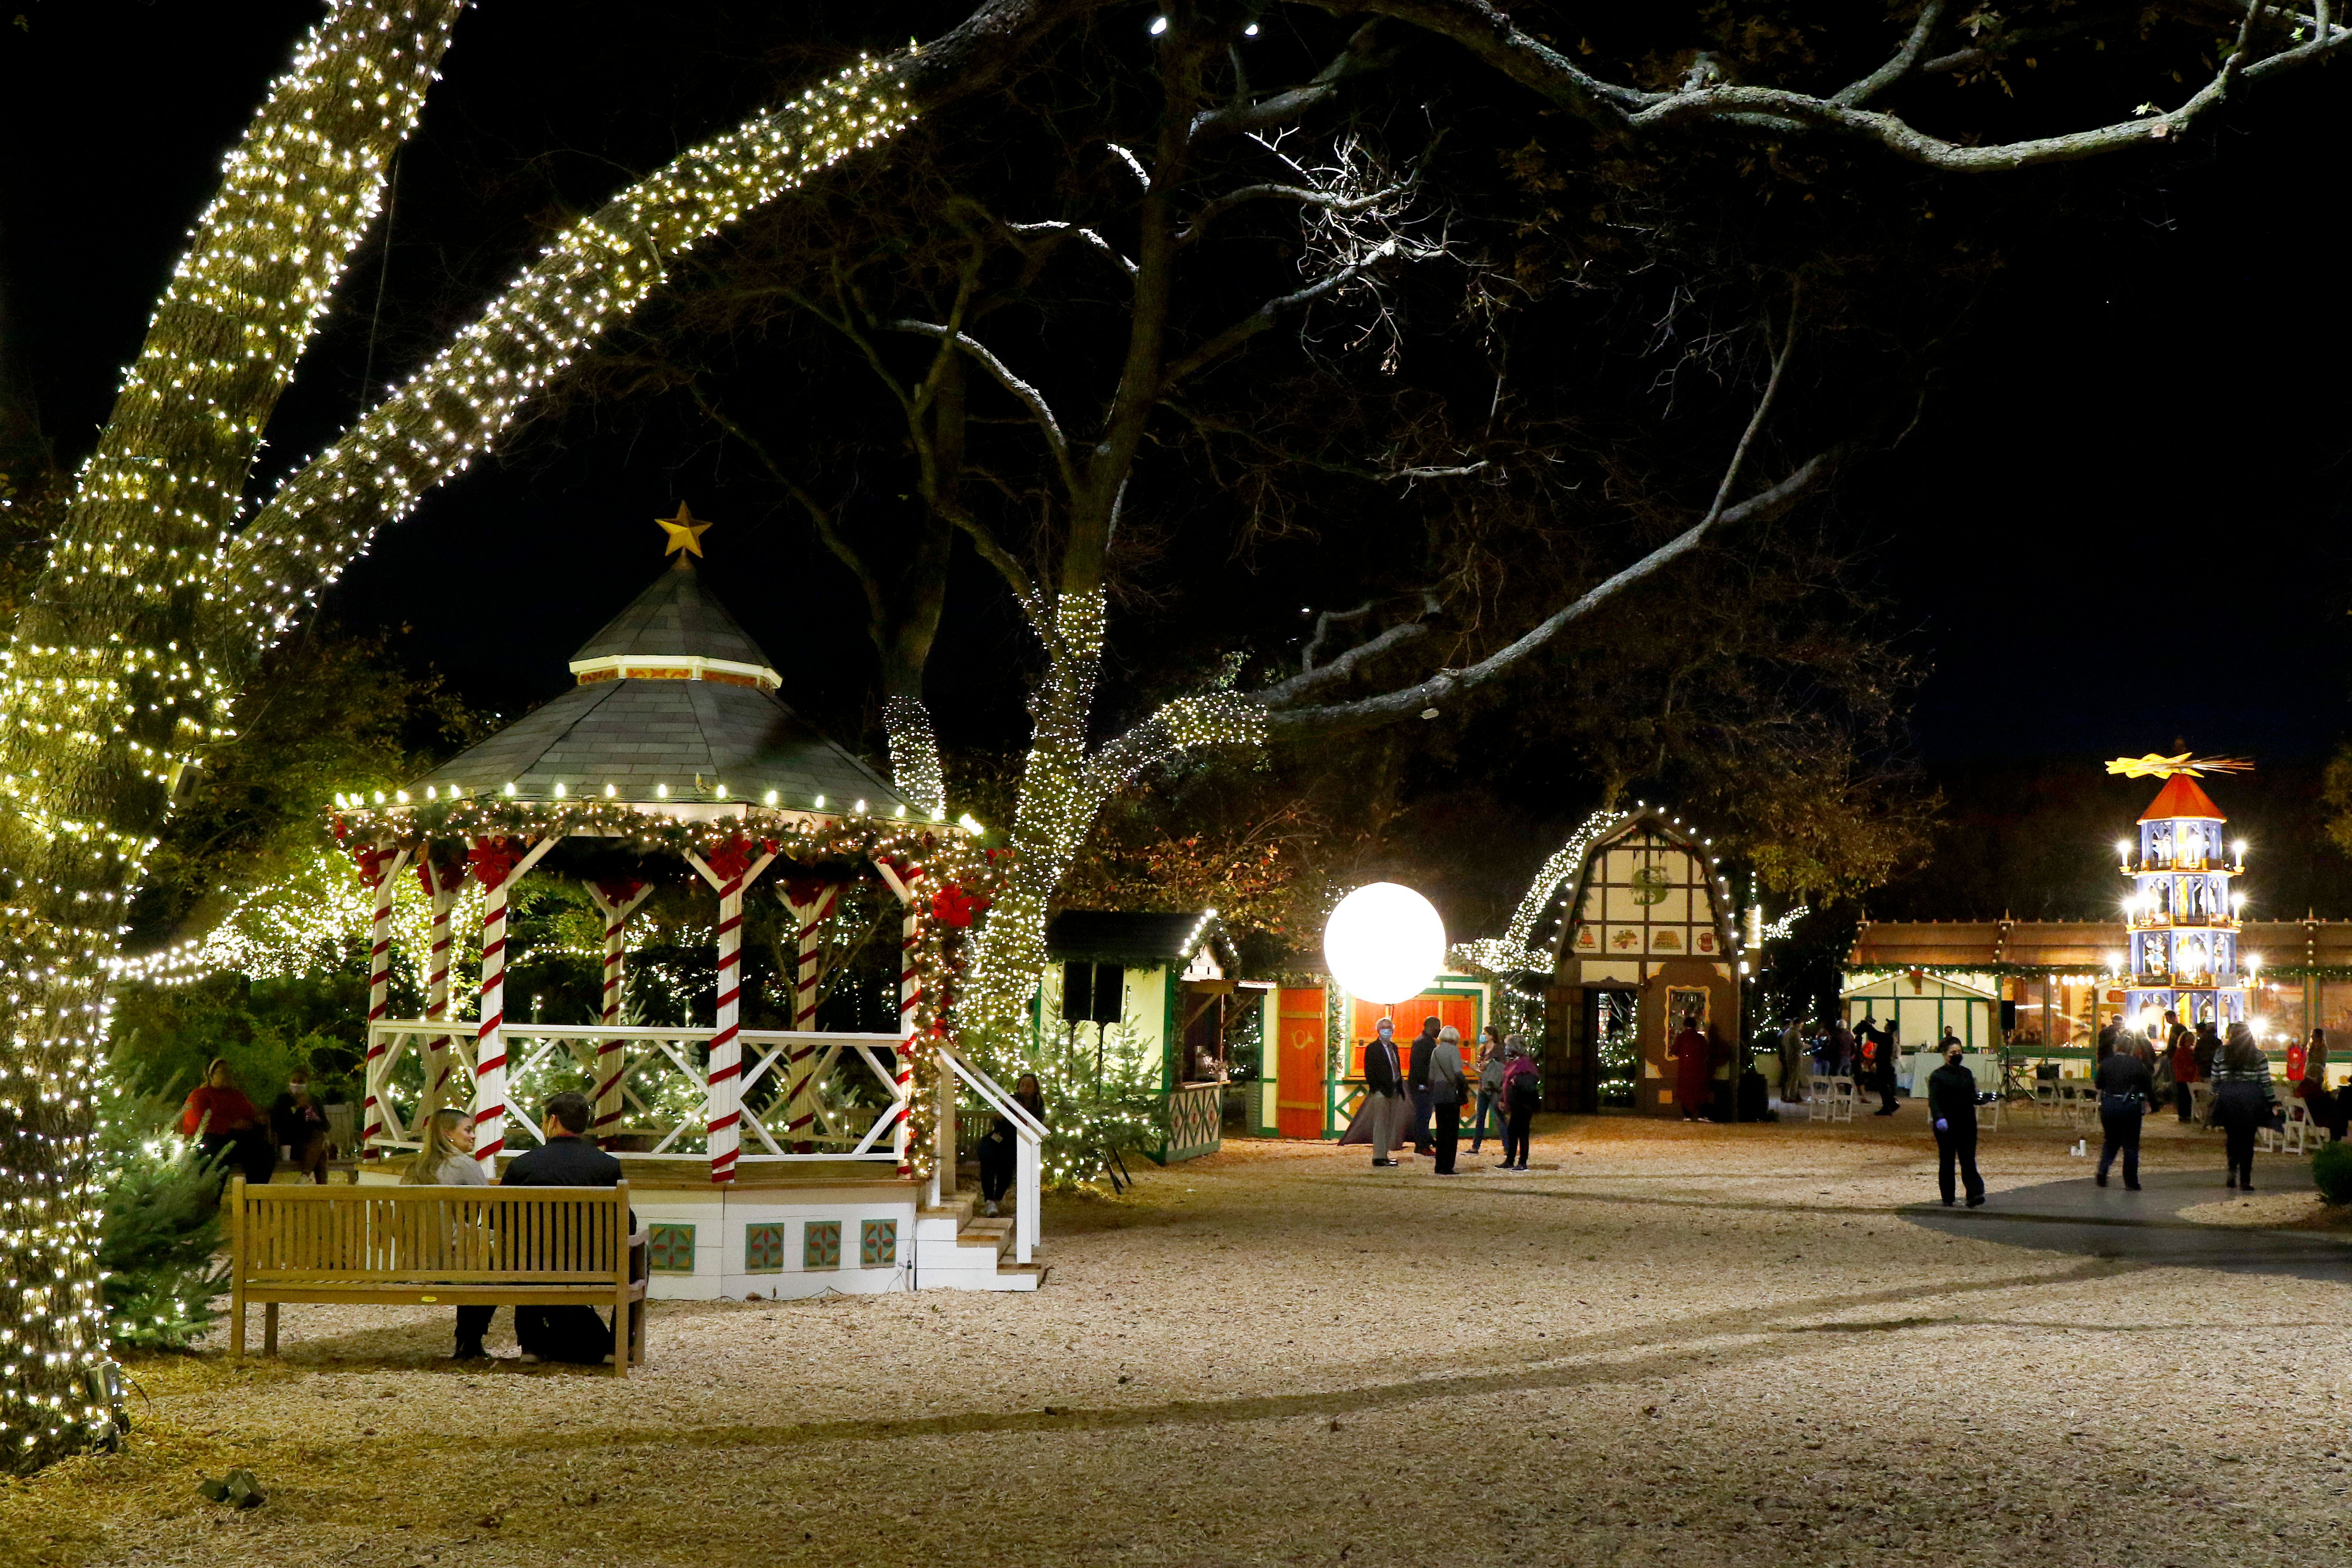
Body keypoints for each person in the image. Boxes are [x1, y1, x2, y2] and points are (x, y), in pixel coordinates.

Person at [499, 1091, 629, 1363]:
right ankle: (615, 1348)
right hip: (592, 1266)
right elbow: (626, 1224)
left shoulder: (522, 1166)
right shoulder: (607, 1166)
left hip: (530, 1265)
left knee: (530, 1255)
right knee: (642, 1256)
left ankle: (532, 1348)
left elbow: (498, 1218)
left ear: (553, 1121)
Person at [400, 1109, 491, 1359]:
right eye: (468, 1130)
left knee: (473, 1249)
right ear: (447, 1134)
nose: (473, 1136)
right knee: (493, 1255)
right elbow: (488, 1206)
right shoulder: (463, 1164)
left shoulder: (413, 1169)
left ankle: (468, 1341)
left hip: (415, 1261)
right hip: (450, 1259)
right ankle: (469, 1340)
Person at [181, 1058, 276, 1191]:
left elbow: (249, 1112)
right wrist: (231, 1125)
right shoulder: (200, 1095)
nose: (229, 1075)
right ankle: (212, 1199)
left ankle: (254, 1196)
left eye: (229, 1071)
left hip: (236, 1140)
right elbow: (197, 1121)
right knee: (217, 1157)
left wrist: (258, 1120)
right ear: (211, 1075)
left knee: (265, 1152)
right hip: (210, 1140)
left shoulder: (236, 1095)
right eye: (223, 1072)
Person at [2210, 1023, 2276, 1192]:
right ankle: (2245, 1180)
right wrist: (2272, 1102)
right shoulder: (2258, 1055)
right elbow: (2265, 1082)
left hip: (2228, 1098)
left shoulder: (2221, 1054)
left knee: (2232, 1137)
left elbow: (2215, 1080)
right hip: (2250, 1099)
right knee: (2248, 1140)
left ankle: (2232, 1171)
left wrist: (2216, 1095)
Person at [1926, 1038, 1986, 1208]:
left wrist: (1984, 1099)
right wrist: (1939, 1118)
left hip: (1967, 1122)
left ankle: (1975, 1193)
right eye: (1953, 1053)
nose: (1957, 1055)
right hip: (1947, 1124)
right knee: (1947, 1160)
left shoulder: (1966, 1073)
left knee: (1968, 1158)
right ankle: (1948, 1197)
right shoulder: (1938, 1076)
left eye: (1959, 1052)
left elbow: (1972, 1095)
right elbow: (1934, 1100)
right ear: (1945, 1056)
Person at [2092, 1030, 2154, 1189]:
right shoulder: (2137, 1065)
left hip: (2110, 1103)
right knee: (2131, 1144)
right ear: (2131, 1049)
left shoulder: (2106, 1064)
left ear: (2116, 1047)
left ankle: (2102, 1171)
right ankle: (2131, 1181)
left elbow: (2099, 1084)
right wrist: (2152, 1104)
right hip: (2130, 1105)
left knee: (2111, 1141)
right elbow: (2148, 1086)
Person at [979, 1072, 1045, 1218]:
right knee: (987, 1156)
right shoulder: (1012, 1101)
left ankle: (997, 1198)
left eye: (1029, 1085)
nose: (1025, 1088)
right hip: (1000, 1138)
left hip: (1018, 1143)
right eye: (1022, 1085)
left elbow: (1036, 1125)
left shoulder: (1038, 1105)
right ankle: (989, 1200)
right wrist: (1000, 1116)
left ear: (1035, 1089)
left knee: (1007, 1163)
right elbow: (998, 1121)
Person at [1353, 1017, 1409, 1167]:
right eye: (1384, 1028)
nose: (1387, 1031)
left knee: (1390, 1124)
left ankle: (1385, 1155)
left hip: (1395, 1090)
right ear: (1378, 1031)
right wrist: (1377, 1088)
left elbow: (1396, 1067)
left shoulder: (1394, 1047)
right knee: (1380, 1124)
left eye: (1389, 1028)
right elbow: (1369, 1071)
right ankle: (1378, 1157)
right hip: (1381, 1092)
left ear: (1393, 1031)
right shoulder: (1373, 1048)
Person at [270, 1069, 332, 1185]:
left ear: (307, 1083)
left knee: (319, 1143)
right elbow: (277, 1124)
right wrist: (298, 1107)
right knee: (321, 1153)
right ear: (289, 1082)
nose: (297, 1084)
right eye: (294, 1081)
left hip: (312, 1144)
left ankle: (305, 1177)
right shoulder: (283, 1100)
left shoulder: (314, 1100)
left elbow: (326, 1126)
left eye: (301, 1081)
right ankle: (322, 1191)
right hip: (291, 1147)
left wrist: (314, 1117)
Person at [1427, 1025, 1468, 1174]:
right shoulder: (1454, 1051)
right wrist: (1464, 1088)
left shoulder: (1436, 1051)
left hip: (1438, 1093)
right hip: (1451, 1093)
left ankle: (1439, 1165)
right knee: (1451, 1131)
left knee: (1441, 1130)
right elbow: (1458, 1072)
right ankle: (1448, 1165)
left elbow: (1431, 1076)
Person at [1499, 1039, 1539, 1171]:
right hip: (1515, 1104)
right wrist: (1503, 1099)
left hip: (1524, 1103)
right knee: (1512, 1132)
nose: (1506, 1049)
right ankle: (1510, 1160)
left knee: (1522, 1132)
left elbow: (1531, 1081)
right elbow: (1505, 1081)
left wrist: (1517, 1081)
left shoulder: (1525, 1063)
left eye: (1508, 1046)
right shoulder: (1512, 1063)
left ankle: (1522, 1162)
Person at [1406, 1015, 1441, 1155]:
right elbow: (1420, 1066)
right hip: (1422, 1086)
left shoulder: (1423, 1041)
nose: (1439, 1030)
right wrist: (1425, 1083)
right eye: (1438, 1027)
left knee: (1423, 1115)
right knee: (1423, 1116)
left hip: (1420, 1085)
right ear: (1432, 1027)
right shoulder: (1425, 1043)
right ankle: (1422, 1146)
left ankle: (1423, 1143)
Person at [1470, 1029, 1507, 1154]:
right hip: (1483, 1087)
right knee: (1480, 1117)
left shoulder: (1498, 1050)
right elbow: (1481, 1069)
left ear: (1491, 1036)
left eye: (1485, 1034)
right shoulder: (1482, 1051)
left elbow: (1503, 1067)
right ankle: (1475, 1147)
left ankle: (1508, 1147)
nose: (1482, 1036)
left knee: (1499, 1117)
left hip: (1494, 1088)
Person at [1669, 1014, 1710, 1120]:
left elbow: (1674, 1050)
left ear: (1684, 1025)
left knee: (1685, 1092)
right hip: (1699, 1069)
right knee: (1701, 1092)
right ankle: (1702, 1115)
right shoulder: (1700, 1038)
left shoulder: (1681, 1037)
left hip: (1685, 1069)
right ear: (1695, 1026)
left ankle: (1687, 1115)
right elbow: (1706, 1052)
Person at [2168, 1020, 2201, 1123]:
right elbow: (2177, 1064)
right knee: (2184, 1097)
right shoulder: (2181, 1052)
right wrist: (2187, 1068)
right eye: (2189, 1041)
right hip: (2183, 1078)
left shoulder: (2191, 1052)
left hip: (2190, 1078)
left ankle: (2188, 1114)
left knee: (2189, 1098)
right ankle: (2184, 1115)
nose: (2191, 1043)